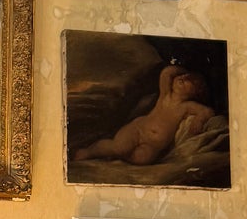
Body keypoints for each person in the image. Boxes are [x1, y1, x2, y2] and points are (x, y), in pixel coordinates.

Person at [74, 62, 216, 167]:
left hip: (153, 146)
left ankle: (112, 157)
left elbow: (207, 112)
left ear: (195, 93)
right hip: (139, 129)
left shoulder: (186, 107)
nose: (183, 78)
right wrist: (184, 70)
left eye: (190, 81)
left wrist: (199, 120)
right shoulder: (165, 95)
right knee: (120, 148)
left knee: (141, 160)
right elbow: (167, 72)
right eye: (183, 77)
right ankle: (89, 152)